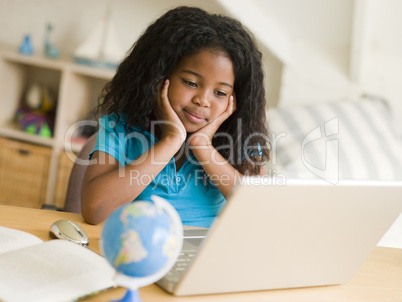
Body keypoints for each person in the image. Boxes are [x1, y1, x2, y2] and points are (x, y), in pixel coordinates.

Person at [81, 6, 270, 227]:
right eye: (191, 83)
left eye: (220, 93)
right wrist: (170, 141)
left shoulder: (239, 137)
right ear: (159, 76)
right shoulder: (120, 127)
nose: (203, 100)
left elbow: (261, 214)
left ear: (234, 100)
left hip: (202, 259)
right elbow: (93, 210)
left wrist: (203, 146)